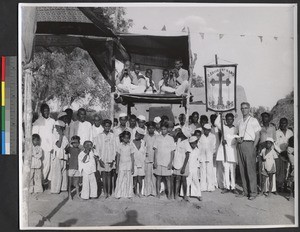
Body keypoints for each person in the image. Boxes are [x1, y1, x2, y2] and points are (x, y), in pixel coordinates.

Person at [236, 102, 261, 200]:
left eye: (246, 108)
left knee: (250, 170)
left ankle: (253, 193)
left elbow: (257, 135)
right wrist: (238, 139)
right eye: (242, 108)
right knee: (242, 169)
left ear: (249, 109)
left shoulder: (253, 120)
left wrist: (253, 147)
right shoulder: (239, 121)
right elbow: (238, 133)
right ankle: (245, 191)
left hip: (250, 144)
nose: (244, 110)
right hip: (241, 145)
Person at [32, 103, 55, 184]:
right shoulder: (37, 122)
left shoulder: (52, 121)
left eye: (47, 110)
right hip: (40, 147)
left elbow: (54, 134)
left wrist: (52, 146)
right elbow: (34, 135)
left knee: (48, 165)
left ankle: (43, 181)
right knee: (40, 165)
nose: (46, 112)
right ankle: (39, 182)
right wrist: (36, 148)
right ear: (41, 111)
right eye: (44, 110)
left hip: (49, 147)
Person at [215, 113, 238, 194]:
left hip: (232, 150)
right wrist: (220, 115)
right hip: (224, 151)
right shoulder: (223, 127)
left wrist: (232, 142)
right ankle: (226, 187)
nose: (229, 121)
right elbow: (216, 123)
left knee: (233, 169)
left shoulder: (236, 129)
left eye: (230, 119)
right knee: (226, 169)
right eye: (227, 119)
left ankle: (233, 187)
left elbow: (237, 138)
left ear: (233, 120)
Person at [153, 122, 176, 199]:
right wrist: (155, 161)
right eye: (162, 129)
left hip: (167, 162)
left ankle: (169, 195)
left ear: (167, 129)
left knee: (168, 178)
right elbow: (155, 150)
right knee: (158, 178)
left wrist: (170, 162)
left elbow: (172, 151)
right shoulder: (157, 138)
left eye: (165, 129)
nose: (163, 131)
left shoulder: (170, 138)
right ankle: (158, 194)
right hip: (159, 161)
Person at [94, 119, 116, 198]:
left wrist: (113, 160)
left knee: (109, 175)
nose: (107, 128)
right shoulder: (99, 136)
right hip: (102, 158)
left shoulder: (113, 136)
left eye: (109, 126)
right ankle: (105, 192)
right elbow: (97, 149)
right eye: (106, 126)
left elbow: (114, 148)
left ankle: (109, 192)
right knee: (103, 175)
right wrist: (99, 160)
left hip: (110, 158)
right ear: (103, 126)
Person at [258, 112, 277, 194]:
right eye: (263, 117)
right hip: (262, 150)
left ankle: (272, 189)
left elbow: (275, 139)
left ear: (269, 118)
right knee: (262, 169)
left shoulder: (272, 128)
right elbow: (258, 139)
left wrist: (271, 148)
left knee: (271, 169)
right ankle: (263, 189)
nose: (264, 118)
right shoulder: (260, 128)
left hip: (270, 150)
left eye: (266, 117)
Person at [50, 120, 68, 194]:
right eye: (56, 127)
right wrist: (60, 135)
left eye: (57, 127)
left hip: (64, 157)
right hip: (57, 156)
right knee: (56, 173)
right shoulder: (55, 136)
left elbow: (66, 146)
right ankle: (55, 189)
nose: (56, 129)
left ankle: (63, 187)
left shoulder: (65, 137)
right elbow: (58, 145)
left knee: (63, 172)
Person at [275, 117, 293, 192]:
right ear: (279, 123)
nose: (283, 124)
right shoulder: (277, 132)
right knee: (280, 170)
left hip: (289, 154)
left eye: (284, 123)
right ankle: (279, 185)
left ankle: (286, 186)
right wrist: (280, 151)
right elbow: (274, 144)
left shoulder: (290, 132)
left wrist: (289, 151)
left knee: (287, 169)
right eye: (281, 123)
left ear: (287, 124)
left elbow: (292, 142)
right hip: (280, 153)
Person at [173, 128, 192, 201]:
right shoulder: (178, 140)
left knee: (184, 180)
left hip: (184, 163)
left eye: (181, 133)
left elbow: (187, 156)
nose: (179, 134)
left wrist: (184, 167)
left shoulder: (187, 143)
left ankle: (185, 195)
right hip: (177, 162)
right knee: (177, 179)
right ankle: (176, 195)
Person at [115, 131, 135, 199]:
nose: (126, 139)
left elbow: (132, 157)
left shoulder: (131, 146)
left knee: (128, 180)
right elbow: (118, 157)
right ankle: (118, 194)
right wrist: (117, 167)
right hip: (121, 165)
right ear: (122, 138)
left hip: (128, 165)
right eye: (125, 138)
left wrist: (132, 167)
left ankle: (128, 194)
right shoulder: (119, 146)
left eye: (128, 138)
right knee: (120, 179)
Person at [198, 124, 216, 192]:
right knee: (203, 171)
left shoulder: (213, 136)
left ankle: (210, 186)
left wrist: (211, 154)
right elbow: (199, 146)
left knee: (209, 171)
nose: (206, 131)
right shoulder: (201, 137)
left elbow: (214, 146)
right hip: (202, 156)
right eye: (205, 130)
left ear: (210, 130)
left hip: (209, 156)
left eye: (208, 130)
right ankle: (203, 187)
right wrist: (199, 156)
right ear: (203, 129)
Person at [65, 135, 81, 200]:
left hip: (77, 167)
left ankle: (77, 194)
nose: (75, 144)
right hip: (71, 167)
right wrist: (70, 142)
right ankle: (69, 195)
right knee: (70, 182)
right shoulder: (70, 149)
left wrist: (79, 144)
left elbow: (83, 149)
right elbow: (66, 149)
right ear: (72, 143)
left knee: (77, 183)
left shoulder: (80, 150)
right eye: (74, 142)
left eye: (77, 142)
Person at [186, 136, 202, 201]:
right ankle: (186, 194)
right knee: (187, 181)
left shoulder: (197, 150)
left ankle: (198, 194)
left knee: (196, 181)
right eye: (192, 143)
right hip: (189, 167)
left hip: (195, 168)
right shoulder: (188, 150)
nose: (194, 145)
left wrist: (198, 168)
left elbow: (199, 159)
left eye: (195, 143)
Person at [143, 121, 157, 196]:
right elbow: (143, 147)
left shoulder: (156, 137)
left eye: (152, 128)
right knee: (147, 176)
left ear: (154, 128)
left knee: (153, 177)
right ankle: (147, 192)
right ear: (147, 129)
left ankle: (154, 192)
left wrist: (156, 159)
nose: (151, 129)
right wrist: (145, 153)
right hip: (147, 159)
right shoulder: (145, 137)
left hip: (154, 159)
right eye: (149, 128)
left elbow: (157, 149)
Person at [132, 128, 147, 197]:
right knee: (134, 179)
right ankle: (135, 192)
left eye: (139, 135)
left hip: (141, 163)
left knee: (140, 179)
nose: (137, 135)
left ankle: (140, 192)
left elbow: (145, 153)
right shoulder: (131, 142)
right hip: (134, 163)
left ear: (141, 136)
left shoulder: (143, 143)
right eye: (136, 134)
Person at [210, 113, 222, 189]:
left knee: (219, 167)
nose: (213, 121)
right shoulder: (209, 129)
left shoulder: (219, 129)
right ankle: (213, 182)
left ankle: (219, 182)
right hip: (212, 150)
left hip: (219, 149)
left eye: (215, 119)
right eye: (212, 119)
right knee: (213, 167)